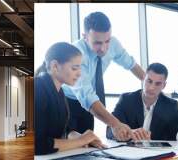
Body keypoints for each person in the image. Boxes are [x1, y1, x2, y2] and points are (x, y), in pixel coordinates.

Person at [62, 11, 146, 141]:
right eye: (97, 43)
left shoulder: (113, 44)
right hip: (66, 101)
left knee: (88, 145)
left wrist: (150, 84)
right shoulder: (76, 54)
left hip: (89, 106)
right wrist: (115, 124)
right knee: (69, 142)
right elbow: (87, 97)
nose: (104, 48)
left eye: (107, 41)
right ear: (85, 36)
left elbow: (131, 64)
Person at [34, 42, 105, 155]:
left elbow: (65, 130)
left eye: (80, 68)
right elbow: (38, 144)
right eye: (74, 68)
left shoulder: (60, 92)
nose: (79, 74)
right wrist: (81, 141)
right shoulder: (38, 88)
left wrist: (84, 138)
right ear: (55, 66)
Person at [106, 63, 178, 141]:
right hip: (129, 151)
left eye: (158, 84)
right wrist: (128, 133)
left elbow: (175, 137)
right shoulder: (126, 100)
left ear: (164, 85)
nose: (152, 87)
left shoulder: (171, 106)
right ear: (143, 78)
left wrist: (151, 140)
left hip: (157, 152)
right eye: (149, 81)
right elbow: (109, 131)